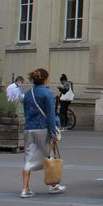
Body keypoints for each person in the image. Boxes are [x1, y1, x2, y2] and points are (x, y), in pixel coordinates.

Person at [21, 67, 65, 198]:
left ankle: (25, 189)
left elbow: (25, 112)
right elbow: (51, 115)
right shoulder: (47, 94)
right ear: (45, 79)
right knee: (49, 154)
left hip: (29, 128)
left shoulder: (28, 94)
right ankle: (53, 185)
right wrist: (53, 133)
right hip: (42, 128)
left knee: (28, 157)